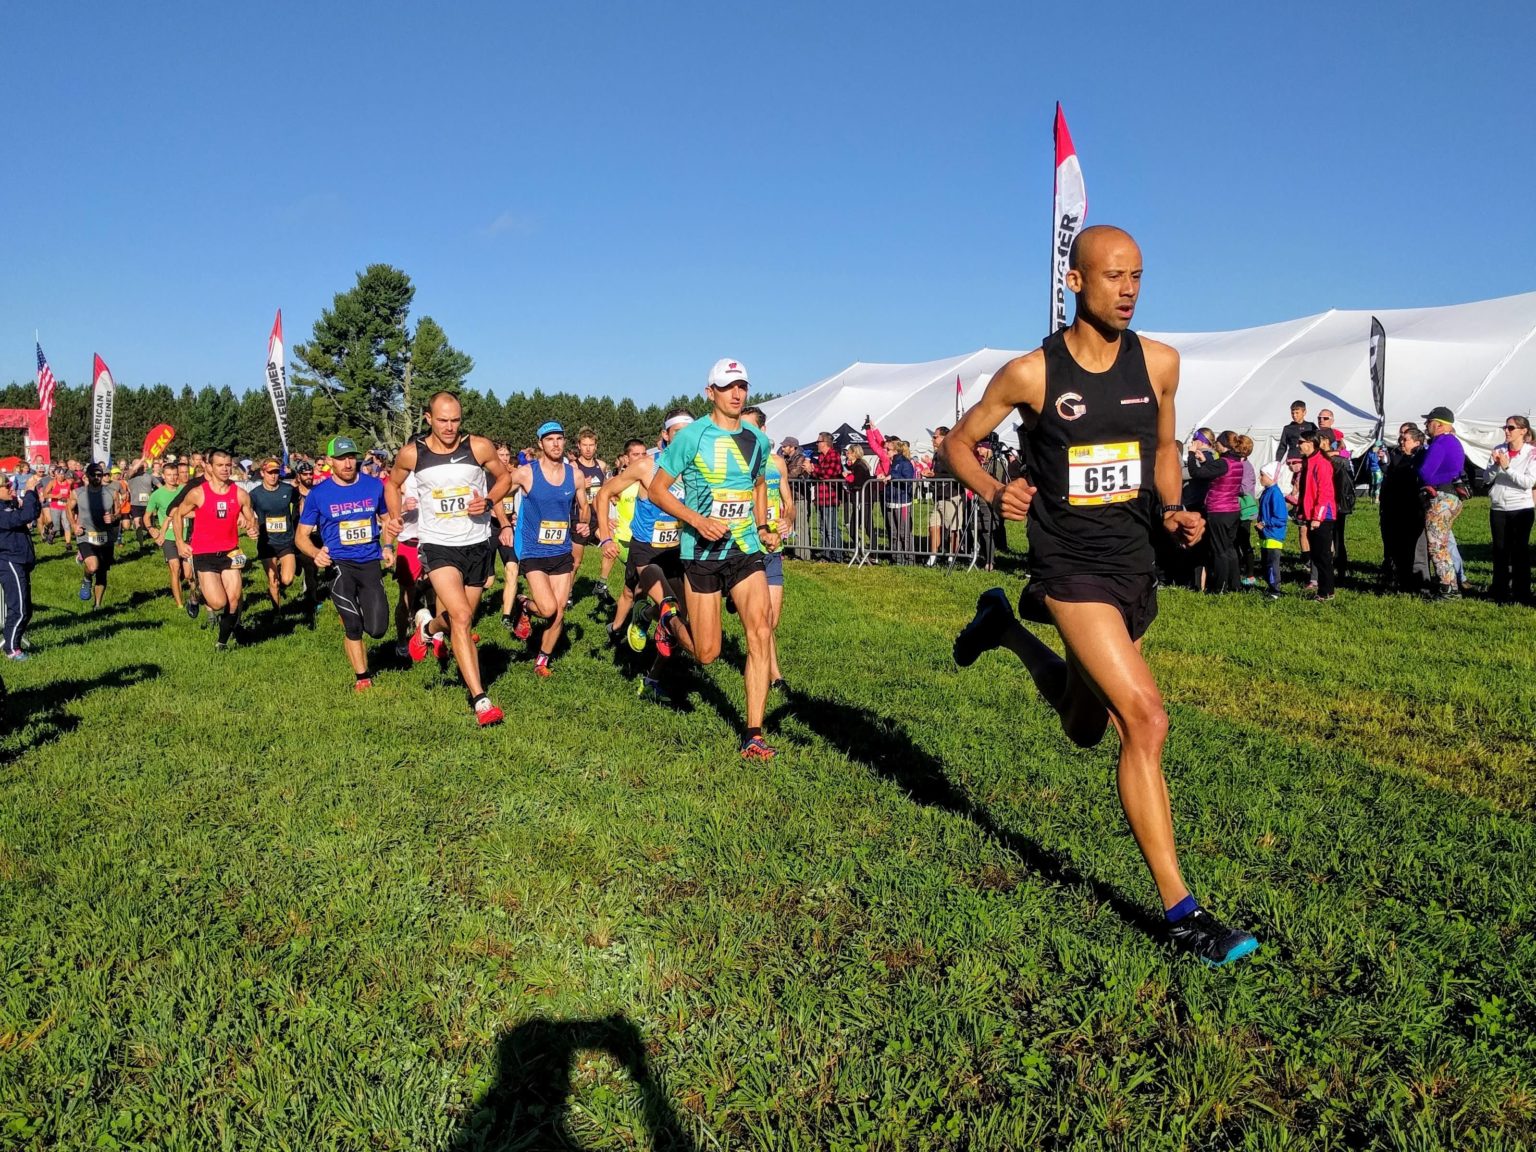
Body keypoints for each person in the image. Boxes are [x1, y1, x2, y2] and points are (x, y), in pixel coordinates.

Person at [944, 224, 1257, 966]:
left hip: (1132, 560)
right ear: (1075, 282)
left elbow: (1164, 451)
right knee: (1144, 721)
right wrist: (996, 491)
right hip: (1068, 564)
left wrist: (1175, 508)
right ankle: (1183, 913)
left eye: (1138, 276)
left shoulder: (1162, 364)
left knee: (1085, 726)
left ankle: (1004, 627)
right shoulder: (1032, 374)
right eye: (1114, 276)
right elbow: (958, 443)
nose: (1128, 289)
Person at [648, 358, 779, 758]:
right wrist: (696, 520)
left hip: (743, 549)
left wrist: (761, 526)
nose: (737, 394)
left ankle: (753, 733)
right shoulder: (691, 436)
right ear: (711, 393)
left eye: (742, 386)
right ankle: (668, 619)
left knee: (760, 632)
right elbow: (658, 490)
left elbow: (756, 484)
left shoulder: (758, 440)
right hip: (702, 550)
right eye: (728, 387)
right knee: (708, 654)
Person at [388, 392, 512, 724]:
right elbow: (391, 483)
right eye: (442, 420)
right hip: (438, 545)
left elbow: (505, 478)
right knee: (459, 616)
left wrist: (487, 501)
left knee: (462, 619)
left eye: (455, 420)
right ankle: (481, 700)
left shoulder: (478, 447)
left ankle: (427, 628)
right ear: (428, 418)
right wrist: (394, 513)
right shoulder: (413, 453)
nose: (449, 427)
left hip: (477, 544)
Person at [597, 415, 695, 694]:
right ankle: (625, 626)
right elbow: (603, 494)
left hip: (677, 550)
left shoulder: (696, 468)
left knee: (680, 619)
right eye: (678, 432)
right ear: (664, 436)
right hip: (646, 551)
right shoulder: (645, 466)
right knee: (649, 601)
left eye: (689, 432)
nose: (684, 438)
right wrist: (605, 536)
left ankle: (652, 676)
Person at [296, 440, 395, 690]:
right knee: (352, 624)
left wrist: (387, 545)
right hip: (339, 563)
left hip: (370, 561)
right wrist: (316, 553)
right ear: (330, 461)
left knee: (378, 629)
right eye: (341, 458)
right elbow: (301, 536)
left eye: (351, 457)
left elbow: (386, 519)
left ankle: (364, 620)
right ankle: (362, 677)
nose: (348, 463)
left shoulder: (373, 486)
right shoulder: (319, 494)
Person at [504, 421, 590, 677]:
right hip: (533, 552)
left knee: (559, 612)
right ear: (541, 443)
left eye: (560, 439)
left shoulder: (574, 475)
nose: (556, 443)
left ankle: (542, 660)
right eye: (550, 439)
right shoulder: (526, 473)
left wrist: (584, 523)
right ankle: (524, 605)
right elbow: (499, 492)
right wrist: (503, 521)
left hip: (562, 552)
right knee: (548, 608)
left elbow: (584, 505)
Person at [171, 449, 258, 648]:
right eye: (220, 465)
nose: (225, 469)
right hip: (204, 553)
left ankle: (222, 643)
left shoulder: (240, 494)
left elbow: (252, 519)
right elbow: (177, 515)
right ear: (209, 467)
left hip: (230, 552)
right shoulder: (198, 493)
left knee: (234, 599)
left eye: (228, 465)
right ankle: (197, 593)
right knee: (218, 603)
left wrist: (253, 530)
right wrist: (180, 543)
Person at [743, 405, 793, 689]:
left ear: (763, 430)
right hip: (747, 548)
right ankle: (775, 676)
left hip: (773, 547)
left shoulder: (777, 463)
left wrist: (787, 520)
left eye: (751, 428)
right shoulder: (737, 464)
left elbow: (791, 504)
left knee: (771, 620)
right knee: (761, 620)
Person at [1418, 406, 1467, 600]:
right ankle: (1451, 584)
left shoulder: (1440, 443)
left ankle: (1448, 589)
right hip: (1452, 497)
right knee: (1444, 543)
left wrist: (1426, 480)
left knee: (1437, 545)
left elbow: (1425, 471)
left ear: (1438, 425)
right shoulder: (1454, 443)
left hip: (1441, 497)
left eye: (1429, 422)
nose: (1426, 426)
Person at [1486, 414, 1536, 605]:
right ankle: (1499, 590)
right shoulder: (1499, 449)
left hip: (1520, 507)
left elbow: (1529, 482)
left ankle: (1521, 592)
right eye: (1505, 428)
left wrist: (1507, 468)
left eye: (1511, 428)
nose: (1506, 431)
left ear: (1523, 431)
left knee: (1519, 550)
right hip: (1498, 506)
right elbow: (1488, 478)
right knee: (1499, 550)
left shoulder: (1531, 453)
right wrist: (1495, 466)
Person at [145, 460, 199, 617]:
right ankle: (180, 605)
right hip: (168, 537)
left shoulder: (185, 490)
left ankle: (193, 599)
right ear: (163, 476)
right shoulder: (157, 494)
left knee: (189, 574)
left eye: (176, 475)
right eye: (169, 475)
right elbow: (147, 516)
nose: (173, 478)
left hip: (186, 535)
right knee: (175, 568)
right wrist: (151, 529)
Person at [248, 457, 301, 613]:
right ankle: (277, 613)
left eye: (276, 472)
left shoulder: (288, 490)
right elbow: (248, 513)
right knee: (273, 581)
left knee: (287, 579)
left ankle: (279, 582)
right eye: (270, 472)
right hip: (267, 543)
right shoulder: (255, 494)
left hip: (286, 541)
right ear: (263, 473)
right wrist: (252, 526)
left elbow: (300, 502)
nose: (273, 476)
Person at [0, 470, 42, 659]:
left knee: (26, 609)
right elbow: (25, 516)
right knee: (18, 608)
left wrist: (32, 495)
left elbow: (33, 512)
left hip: (20, 559)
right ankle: (11, 648)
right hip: (9, 560)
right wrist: (30, 491)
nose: (11, 488)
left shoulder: (9, 504)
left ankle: (13, 643)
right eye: (6, 486)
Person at [70, 463, 120, 610]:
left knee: (102, 573)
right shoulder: (77, 493)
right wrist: (74, 525)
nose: (97, 478)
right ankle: (86, 578)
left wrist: (113, 517)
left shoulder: (112, 493)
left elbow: (118, 512)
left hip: (105, 537)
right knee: (93, 566)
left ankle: (97, 604)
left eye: (100, 475)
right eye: (94, 475)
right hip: (85, 535)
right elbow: (69, 509)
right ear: (87, 476)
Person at [569, 428, 610, 604]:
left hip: (597, 519)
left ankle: (601, 585)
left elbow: (606, 492)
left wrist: (607, 516)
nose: (587, 449)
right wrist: (578, 487)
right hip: (580, 520)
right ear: (578, 446)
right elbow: (564, 493)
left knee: (611, 548)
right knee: (575, 563)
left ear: (596, 446)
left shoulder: (601, 466)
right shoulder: (573, 467)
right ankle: (568, 594)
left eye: (591, 445)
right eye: (584, 445)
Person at [1295, 433, 1337, 601]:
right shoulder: (1309, 462)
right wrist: (1302, 511)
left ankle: (1327, 592)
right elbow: (1307, 491)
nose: (1298, 445)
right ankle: (1323, 589)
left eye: (1301, 442)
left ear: (1311, 443)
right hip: (1310, 513)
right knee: (1317, 555)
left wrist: (1317, 517)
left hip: (1322, 515)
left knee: (1323, 555)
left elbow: (1325, 492)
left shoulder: (1322, 463)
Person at [1320, 434, 1355, 583]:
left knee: (1337, 537)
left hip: (1337, 502)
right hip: (1328, 502)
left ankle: (1340, 567)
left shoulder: (1339, 459)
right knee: (1328, 537)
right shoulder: (1322, 457)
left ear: (1327, 441)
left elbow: (1347, 456)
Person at [927, 426, 963, 567]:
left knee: (953, 528)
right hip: (938, 496)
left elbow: (955, 474)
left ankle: (951, 557)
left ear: (944, 437)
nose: (933, 439)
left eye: (935, 437)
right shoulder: (936, 454)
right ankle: (933, 556)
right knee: (933, 525)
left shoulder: (952, 453)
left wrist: (935, 475)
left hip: (952, 496)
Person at [1256, 462, 1287, 600]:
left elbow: (1281, 518)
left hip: (1274, 535)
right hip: (1266, 534)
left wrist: (1265, 523)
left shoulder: (1275, 494)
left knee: (1272, 564)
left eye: (1262, 475)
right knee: (1266, 563)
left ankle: (1275, 590)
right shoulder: (1267, 491)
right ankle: (1270, 587)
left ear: (1270, 476)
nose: (1260, 478)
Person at [811, 432, 844, 562]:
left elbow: (828, 474)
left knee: (832, 528)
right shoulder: (820, 457)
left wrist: (814, 469)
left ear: (825, 443)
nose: (817, 444)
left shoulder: (834, 456)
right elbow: (818, 476)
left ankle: (837, 555)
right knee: (823, 529)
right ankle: (826, 555)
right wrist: (812, 471)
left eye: (818, 441)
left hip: (830, 497)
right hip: (821, 497)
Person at [886, 439, 917, 564]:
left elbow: (909, 479)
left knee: (904, 532)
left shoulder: (904, 462)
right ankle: (897, 559)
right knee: (893, 532)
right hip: (891, 500)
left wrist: (893, 477)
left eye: (888, 449)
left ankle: (910, 560)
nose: (886, 451)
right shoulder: (893, 463)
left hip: (902, 501)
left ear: (895, 450)